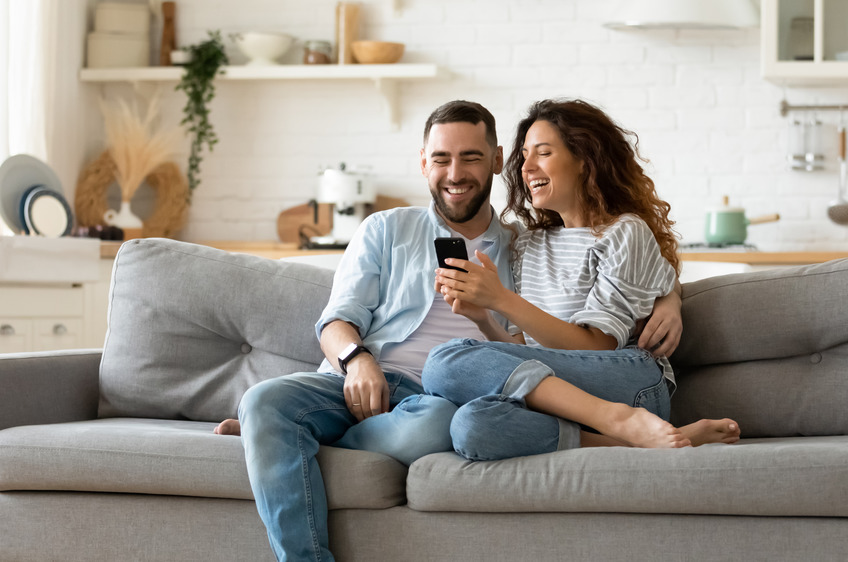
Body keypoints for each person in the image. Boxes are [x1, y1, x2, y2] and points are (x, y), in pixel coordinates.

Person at [216, 100, 684, 562]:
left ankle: (287, 438)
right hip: (361, 381)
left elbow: (624, 265)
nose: (455, 173)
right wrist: (356, 360)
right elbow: (337, 320)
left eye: (471, 157)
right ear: (424, 164)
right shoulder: (385, 229)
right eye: (441, 159)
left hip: (436, 401)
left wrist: (671, 298)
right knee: (261, 399)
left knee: (440, 423)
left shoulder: (519, 244)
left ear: (497, 161)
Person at [422, 99, 739, 461]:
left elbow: (597, 347)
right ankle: (634, 438)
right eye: (524, 155)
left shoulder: (623, 233)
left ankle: (620, 418)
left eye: (543, 152)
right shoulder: (528, 243)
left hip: (628, 383)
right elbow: (526, 357)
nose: (526, 167)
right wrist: (483, 318)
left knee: (443, 361)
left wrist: (501, 299)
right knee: (471, 426)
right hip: (560, 391)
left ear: (584, 160)